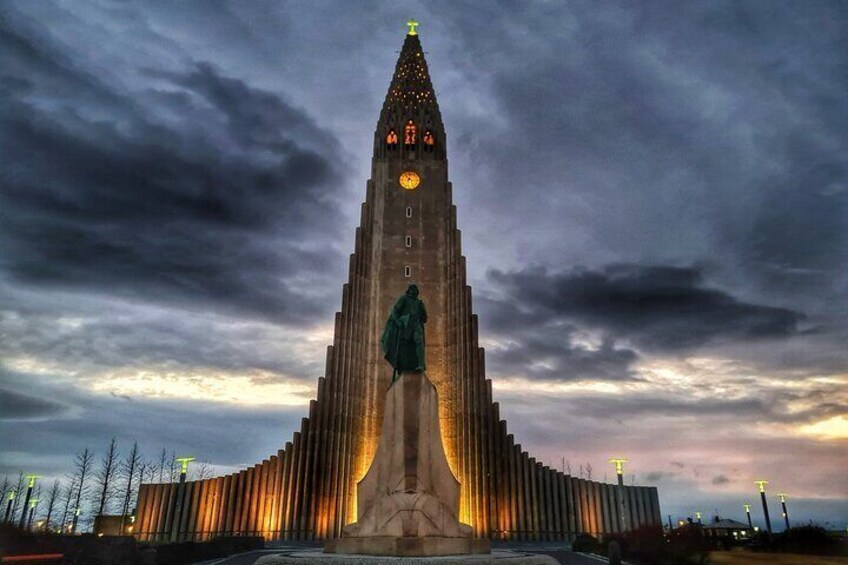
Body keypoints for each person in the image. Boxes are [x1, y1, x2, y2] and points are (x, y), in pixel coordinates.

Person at [380, 284, 427, 382]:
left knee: (419, 343)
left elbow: (425, 318)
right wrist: (398, 322)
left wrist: (422, 310)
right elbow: (395, 311)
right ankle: (402, 368)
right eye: (412, 290)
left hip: (416, 325)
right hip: (406, 325)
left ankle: (420, 365)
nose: (414, 292)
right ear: (409, 291)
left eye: (415, 290)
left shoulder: (419, 303)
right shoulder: (404, 299)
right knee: (404, 347)